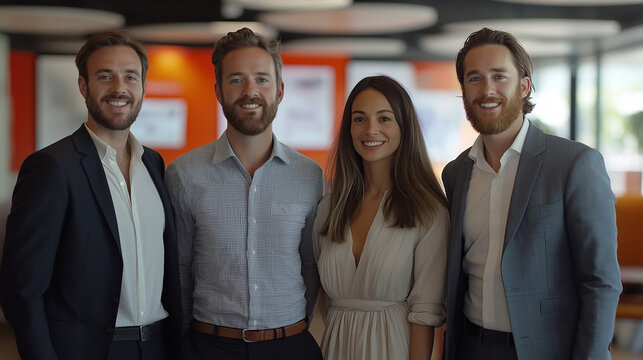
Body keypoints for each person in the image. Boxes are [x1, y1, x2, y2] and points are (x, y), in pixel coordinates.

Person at [441, 27, 622, 360]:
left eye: (499, 76)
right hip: (470, 347)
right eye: (475, 79)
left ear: (524, 85)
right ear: (463, 89)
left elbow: (601, 282)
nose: (487, 90)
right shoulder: (455, 174)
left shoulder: (575, 164)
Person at [0, 31, 182, 360]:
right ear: (83, 86)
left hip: (159, 347)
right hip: (91, 351)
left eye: (130, 76)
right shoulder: (52, 168)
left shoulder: (153, 164)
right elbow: (22, 291)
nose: (119, 88)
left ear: (142, 87)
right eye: (104, 76)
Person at [164, 27, 324, 360]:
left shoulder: (310, 175)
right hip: (207, 347)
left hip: (290, 347)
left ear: (280, 91)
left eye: (262, 80)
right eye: (237, 80)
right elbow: (180, 272)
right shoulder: (183, 175)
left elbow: (311, 267)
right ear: (218, 91)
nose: (250, 91)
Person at [313, 75, 449, 360]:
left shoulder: (428, 211)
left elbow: (425, 313)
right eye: (359, 119)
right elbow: (322, 303)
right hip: (335, 348)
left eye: (384, 118)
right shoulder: (329, 208)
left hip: (394, 348)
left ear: (404, 127)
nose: (370, 129)